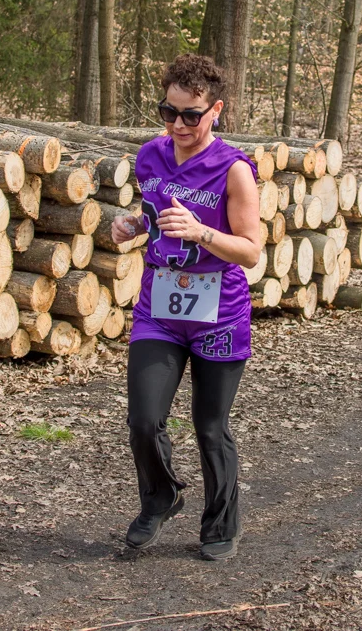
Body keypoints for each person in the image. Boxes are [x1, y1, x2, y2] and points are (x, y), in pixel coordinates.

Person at [110, 53, 264, 561]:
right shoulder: (150, 156)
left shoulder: (234, 170)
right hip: (159, 308)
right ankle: (161, 497)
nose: (178, 124)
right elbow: (155, 213)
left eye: (190, 115)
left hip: (219, 313)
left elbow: (251, 250)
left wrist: (202, 232)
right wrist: (134, 225)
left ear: (215, 110)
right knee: (143, 419)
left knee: (210, 428)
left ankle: (221, 524)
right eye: (168, 112)